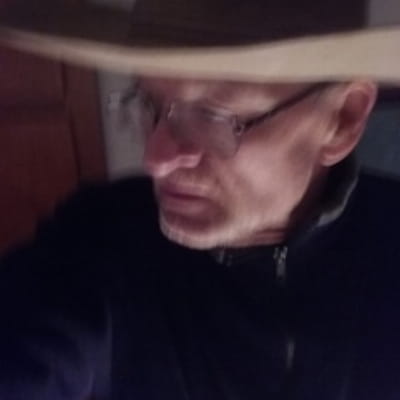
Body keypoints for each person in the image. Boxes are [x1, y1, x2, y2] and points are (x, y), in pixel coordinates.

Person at [1, 1, 400, 400]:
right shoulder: (99, 237)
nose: (155, 158)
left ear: (343, 119)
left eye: (212, 116)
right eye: (149, 104)